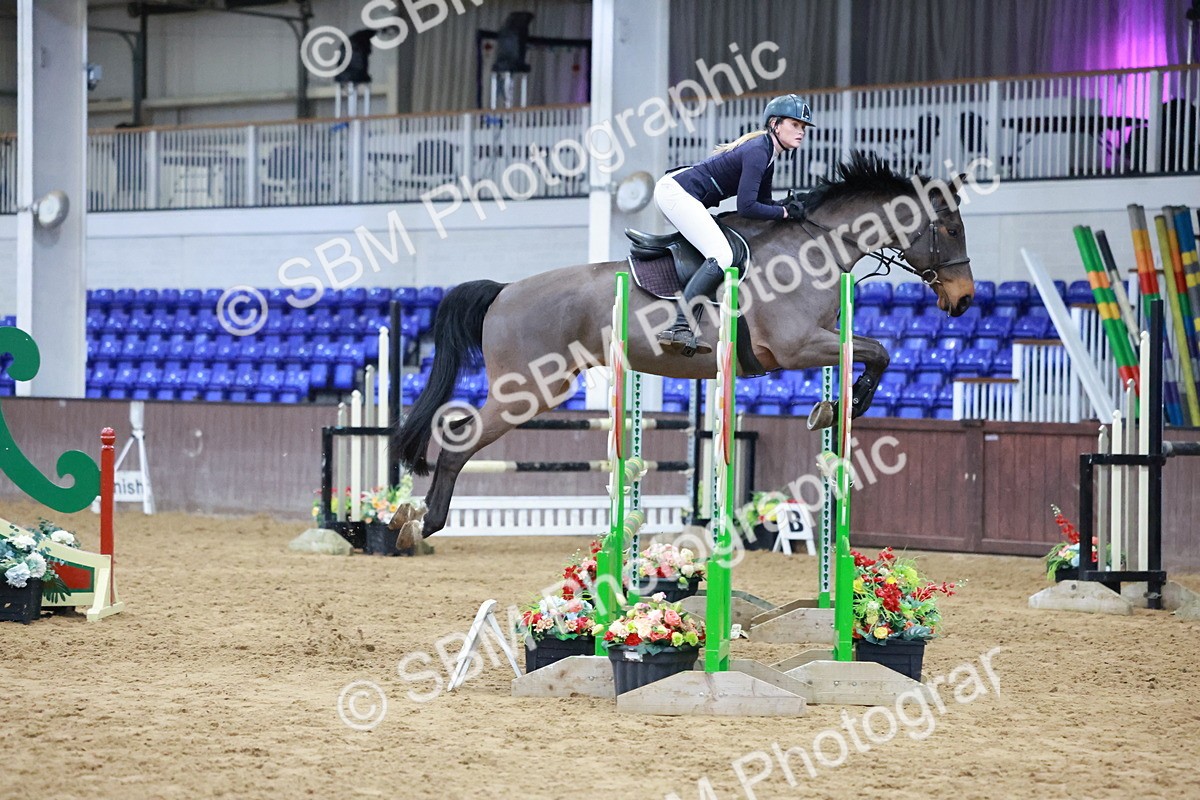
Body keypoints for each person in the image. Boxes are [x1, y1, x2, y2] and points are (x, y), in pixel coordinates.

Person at [653, 93, 814, 356]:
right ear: (774, 124)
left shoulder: (767, 155)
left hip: (681, 192)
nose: (801, 132)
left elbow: (764, 203)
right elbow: (747, 207)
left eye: (804, 127)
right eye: (795, 124)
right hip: (675, 193)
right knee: (722, 255)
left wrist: (788, 206)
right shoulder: (758, 151)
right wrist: (784, 213)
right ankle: (679, 326)